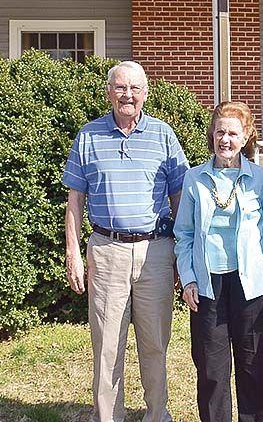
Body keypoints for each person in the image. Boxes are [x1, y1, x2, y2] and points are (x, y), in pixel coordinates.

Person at [63, 60, 188, 422]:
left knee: (155, 343)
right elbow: (75, 199)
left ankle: (157, 414)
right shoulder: (88, 135)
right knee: (106, 346)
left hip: (156, 251)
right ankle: (108, 417)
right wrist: (73, 253)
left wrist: (182, 253)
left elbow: (179, 198)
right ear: (109, 93)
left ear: (145, 93)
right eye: (120, 88)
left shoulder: (163, 135)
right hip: (106, 251)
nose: (127, 95)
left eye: (134, 88)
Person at [174, 101, 263, 422]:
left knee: (254, 367)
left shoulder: (262, 179)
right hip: (207, 285)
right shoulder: (194, 179)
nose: (225, 139)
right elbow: (184, 235)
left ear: (246, 137)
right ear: (211, 135)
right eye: (219, 132)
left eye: (233, 133)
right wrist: (188, 278)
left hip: (252, 285)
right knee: (211, 370)